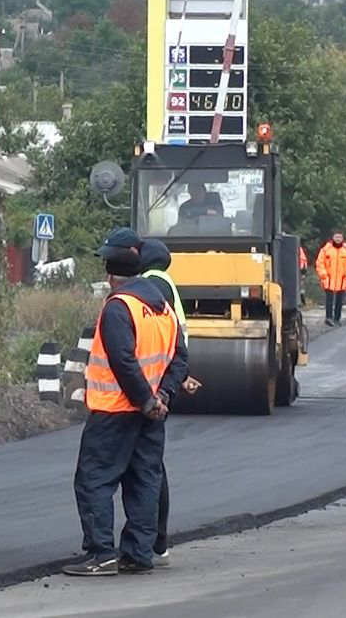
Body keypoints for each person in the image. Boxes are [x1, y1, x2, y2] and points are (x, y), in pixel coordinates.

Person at [63, 227, 188, 577]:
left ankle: (101, 554)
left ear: (109, 274)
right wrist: (162, 397)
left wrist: (146, 400)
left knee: (94, 480)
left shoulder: (119, 307)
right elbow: (180, 356)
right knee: (144, 480)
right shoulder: (162, 305)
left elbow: (123, 361)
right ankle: (138, 554)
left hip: (115, 411)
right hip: (150, 415)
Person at [136, 238, 200, 569]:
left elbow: (159, 332)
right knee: (152, 467)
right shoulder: (168, 282)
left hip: (154, 383)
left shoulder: (152, 284)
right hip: (168, 374)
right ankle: (155, 542)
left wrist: (167, 383)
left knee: (149, 468)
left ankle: (154, 543)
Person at [315, 231, 346, 327]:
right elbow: (320, 263)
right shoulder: (326, 249)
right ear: (333, 237)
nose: (338, 239)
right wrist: (323, 275)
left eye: (340, 237)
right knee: (329, 299)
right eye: (336, 237)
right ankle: (328, 318)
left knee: (339, 300)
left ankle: (337, 319)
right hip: (328, 279)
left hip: (342, 280)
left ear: (342, 238)